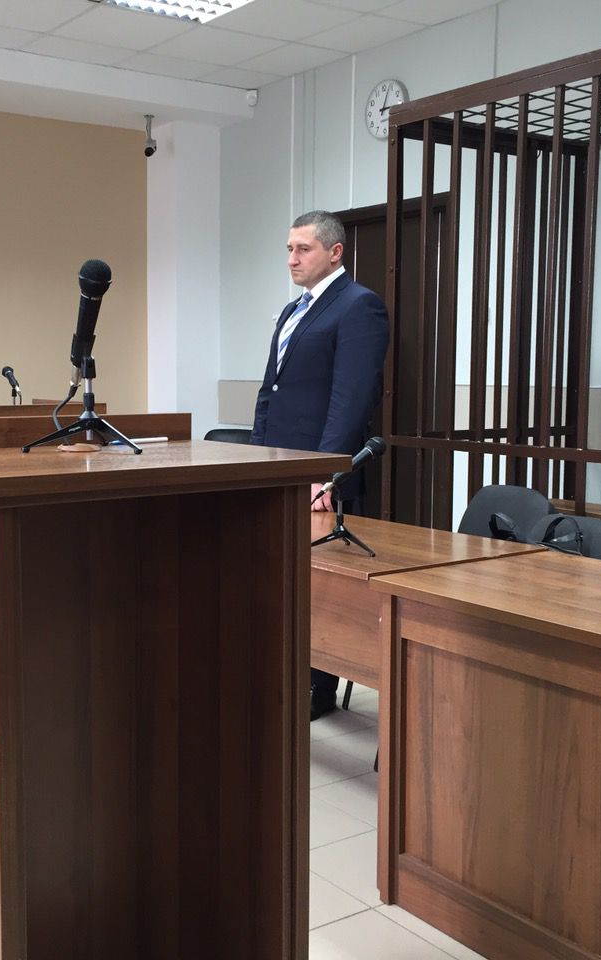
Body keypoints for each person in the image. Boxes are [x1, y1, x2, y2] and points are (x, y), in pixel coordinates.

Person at [250, 209, 389, 720]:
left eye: (302, 249)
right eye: (289, 249)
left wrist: (325, 475)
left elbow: (350, 400)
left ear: (335, 252)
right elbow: (271, 391)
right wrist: (255, 459)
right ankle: (282, 671)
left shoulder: (358, 305)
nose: (292, 259)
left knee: (320, 589)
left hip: (318, 476)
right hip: (278, 467)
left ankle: (317, 688)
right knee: (280, 578)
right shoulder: (293, 310)